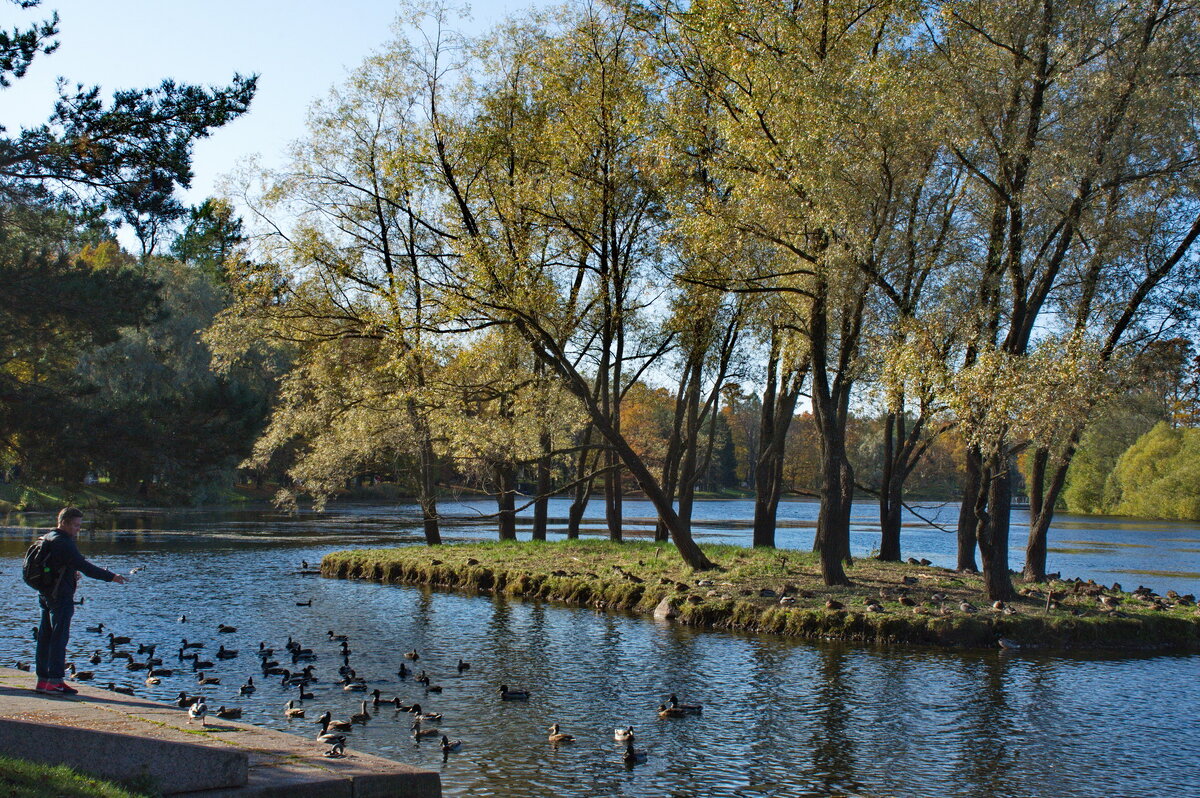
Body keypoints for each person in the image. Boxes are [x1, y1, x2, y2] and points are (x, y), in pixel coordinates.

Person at [34, 507, 126, 695]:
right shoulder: (64, 542)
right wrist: (111, 576)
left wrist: (69, 573)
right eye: (76, 525)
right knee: (59, 638)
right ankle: (55, 682)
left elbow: (55, 566)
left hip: (45, 593)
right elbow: (85, 566)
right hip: (60, 597)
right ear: (65, 522)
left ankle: (43, 681)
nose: (78, 529)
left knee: (45, 637)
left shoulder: (46, 537)